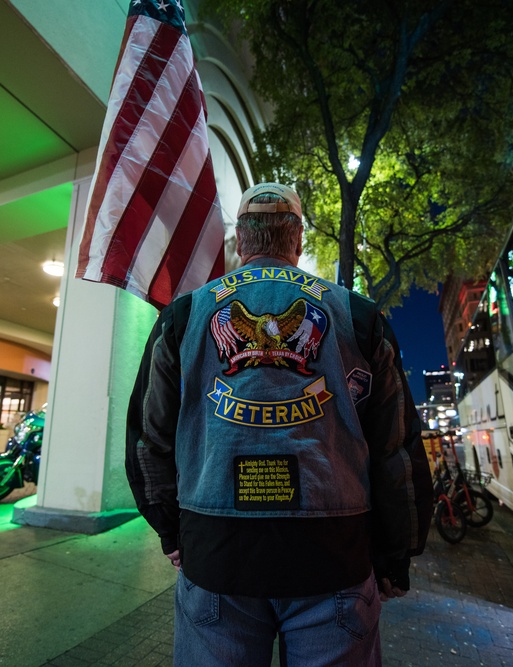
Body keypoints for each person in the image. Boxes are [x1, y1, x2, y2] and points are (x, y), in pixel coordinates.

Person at [126, 182, 433, 665]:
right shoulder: (357, 314)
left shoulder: (184, 315)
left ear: (241, 241)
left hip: (217, 556)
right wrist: (396, 555)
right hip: (334, 559)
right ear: (299, 240)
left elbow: (150, 439)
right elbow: (395, 448)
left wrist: (173, 530)